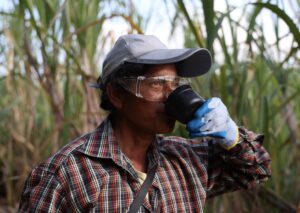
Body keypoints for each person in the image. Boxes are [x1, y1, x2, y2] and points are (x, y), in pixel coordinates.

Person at [19, 34, 271, 212]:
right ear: (117, 94)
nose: (171, 96)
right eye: (157, 84)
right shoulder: (66, 175)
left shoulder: (187, 159)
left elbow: (256, 169)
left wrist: (231, 136)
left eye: (175, 85)